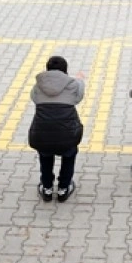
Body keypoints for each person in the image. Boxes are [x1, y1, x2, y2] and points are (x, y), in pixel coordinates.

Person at [29, 55, 85, 202]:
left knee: (45, 154)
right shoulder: (73, 84)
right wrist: (79, 80)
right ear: (65, 71)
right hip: (67, 134)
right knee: (69, 154)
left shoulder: (38, 85)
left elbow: (34, 98)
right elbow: (78, 98)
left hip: (42, 133)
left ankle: (46, 188)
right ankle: (63, 188)